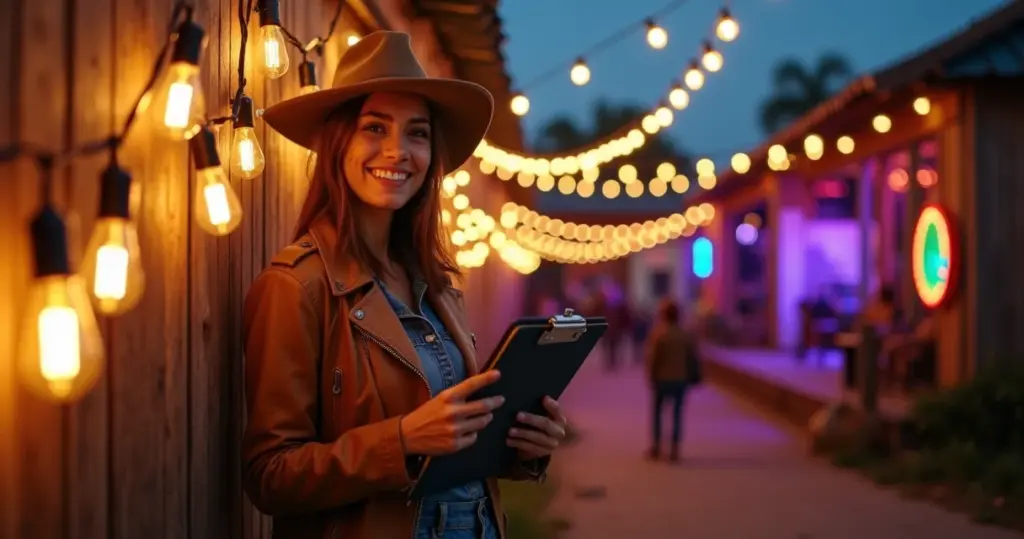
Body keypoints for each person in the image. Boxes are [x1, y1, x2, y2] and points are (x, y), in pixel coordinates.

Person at [241, 31, 568, 539]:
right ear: (339, 142)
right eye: (375, 127)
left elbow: (455, 445)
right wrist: (401, 440)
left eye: (417, 133)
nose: (398, 151)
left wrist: (524, 447)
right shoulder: (296, 287)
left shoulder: (438, 284)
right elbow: (270, 477)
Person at [643, 299, 699, 462]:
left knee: (657, 413)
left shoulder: (658, 334)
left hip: (661, 379)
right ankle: (675, 449)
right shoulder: (686, 335)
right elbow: (692, 358)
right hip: (681, 379)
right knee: (677, 414)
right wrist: (693, 376)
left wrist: (651, 376)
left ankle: (657, 446)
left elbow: (653, 359)